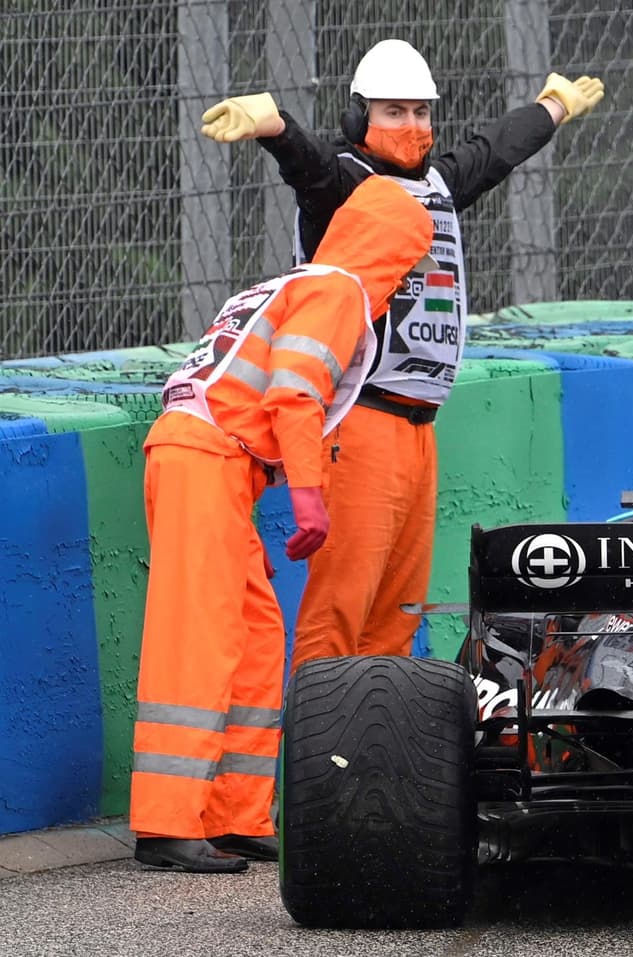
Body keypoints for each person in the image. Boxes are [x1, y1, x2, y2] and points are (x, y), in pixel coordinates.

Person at [198, 39, 604, 672]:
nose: (412, 126)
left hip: (419, 431)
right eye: (394, 112)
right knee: (339, 614)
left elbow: (494, 151)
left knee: (396, 616)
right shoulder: (348, 183)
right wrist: (276, 126)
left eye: (421, 112)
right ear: (360, 119)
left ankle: (374, 761)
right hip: (362, 419)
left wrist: (553, 105)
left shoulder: (438, 183)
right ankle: (318, 765)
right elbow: (311, 170)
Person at [130, 176, 436, 874]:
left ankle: (235, 813)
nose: (408, 282)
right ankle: (167, 822)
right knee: (200, 636)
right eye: (409, 264)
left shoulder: (295, 283)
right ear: (387, 250)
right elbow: (292, 393)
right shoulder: (337, 293)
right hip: (206, 460)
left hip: (212, 463)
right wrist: (309, 497)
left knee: (259, 632)